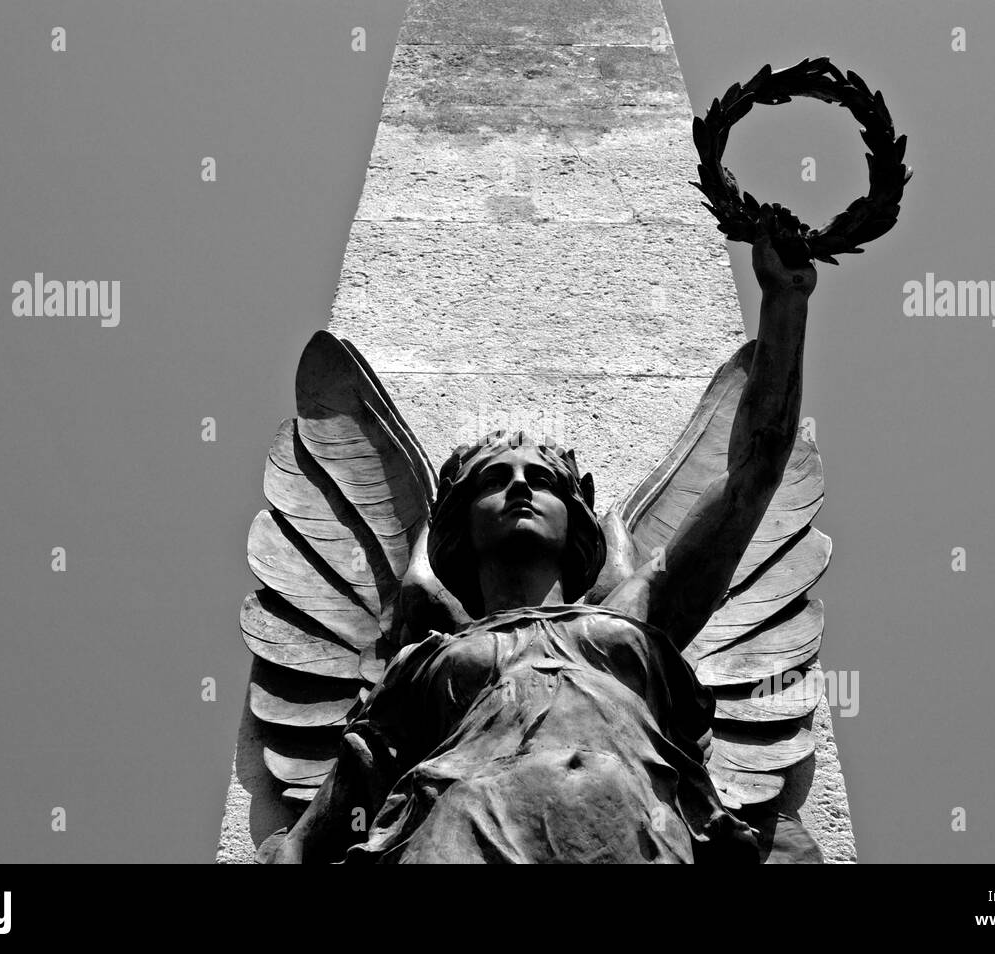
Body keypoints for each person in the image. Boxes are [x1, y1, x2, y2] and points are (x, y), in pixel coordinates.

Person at [259, 230, 816, 863]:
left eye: (542, 480)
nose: (520, 487)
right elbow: (318, 829)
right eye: (493, 481)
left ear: (575, 520)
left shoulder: (634, 613)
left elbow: (755, 468)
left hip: (632, 829)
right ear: (460, 525)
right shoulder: (423, 659)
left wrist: (786, 300)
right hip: (454, 836)